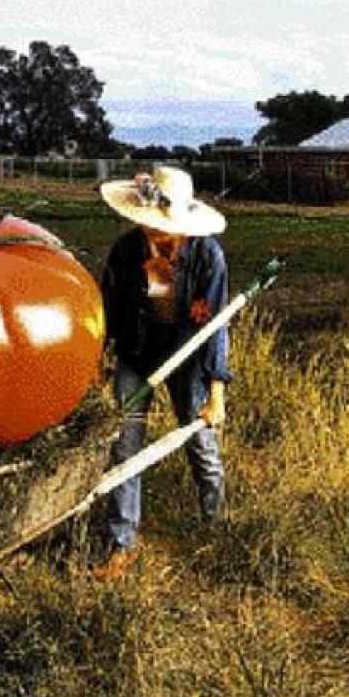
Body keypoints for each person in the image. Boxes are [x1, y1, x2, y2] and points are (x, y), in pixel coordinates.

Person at [92, 165, 231, 581]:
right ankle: (122, 542)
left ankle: (216, 527)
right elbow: (108, 312)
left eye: (163, 227)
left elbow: (215, 326)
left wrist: (216, 392)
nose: (154, 232)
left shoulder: (208, 257)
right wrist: (101, 361)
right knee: (125, 447)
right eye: (148, 224)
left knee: (200, 441)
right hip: (136, 354)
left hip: (185, 355)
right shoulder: (126, 252)